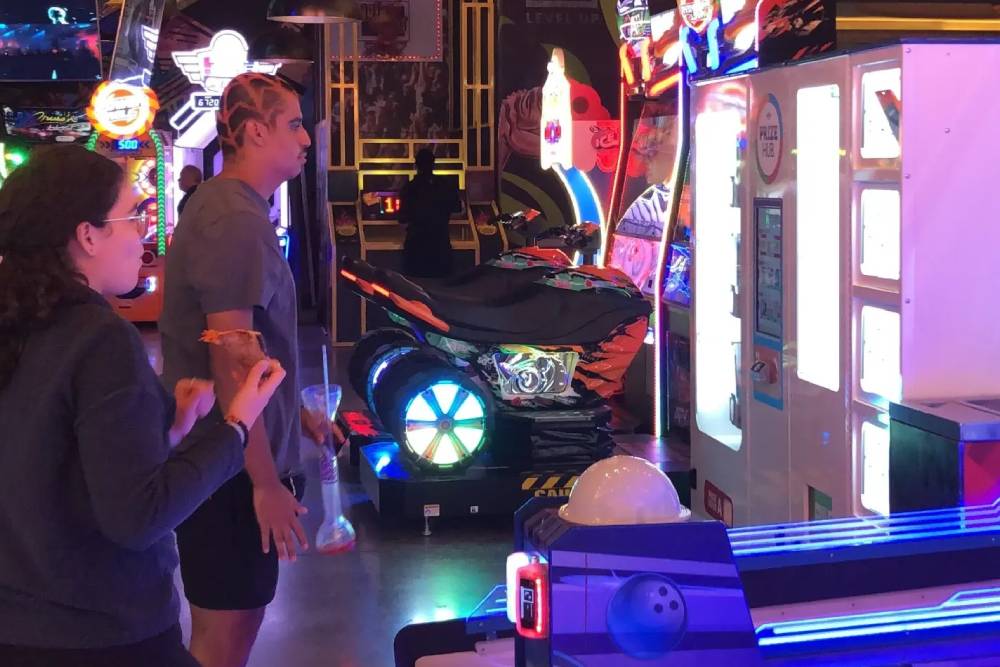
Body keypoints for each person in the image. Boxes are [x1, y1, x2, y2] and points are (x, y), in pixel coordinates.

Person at [0, 145, 285, 666]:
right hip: (103, 633)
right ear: (88, 236)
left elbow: (48, 464)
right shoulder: (99, 339)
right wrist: (238, 424)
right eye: (133, 217)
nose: (144, 234)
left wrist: (167, 432)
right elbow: (140, 515)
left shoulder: (20, 324)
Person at [159, 72, 313, 667]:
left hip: (230, 461)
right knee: (224, 636)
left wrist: (297, 414)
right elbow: (231, 357)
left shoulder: (234, 208)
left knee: (237, 622)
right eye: (293, 124)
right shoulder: (234, 220)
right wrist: (265, 484)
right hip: (230, 472)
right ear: (255, 131)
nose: (305, 139)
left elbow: (252, 350)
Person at [398, 148, 461, 278]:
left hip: (416, 253)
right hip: (441, 251)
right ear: (433, 165)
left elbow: (402, 218)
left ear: (416, 165)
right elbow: (458, 208)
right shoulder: (446, 186)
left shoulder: (410, 188)